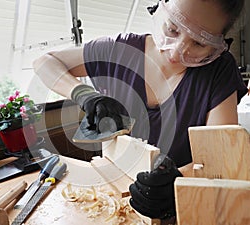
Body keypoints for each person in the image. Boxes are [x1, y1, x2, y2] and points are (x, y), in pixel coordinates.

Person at [33, 0, 247, 221]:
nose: (176, 52)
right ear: (159, 10)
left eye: (199, 43)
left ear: (218, 45)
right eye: (172, 29)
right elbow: (45, 62)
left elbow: (220, 158)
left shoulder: (219, 71)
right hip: (114, 202)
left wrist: (177, 180)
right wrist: (84, 94)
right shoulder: (119, 51)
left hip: (180, 207)